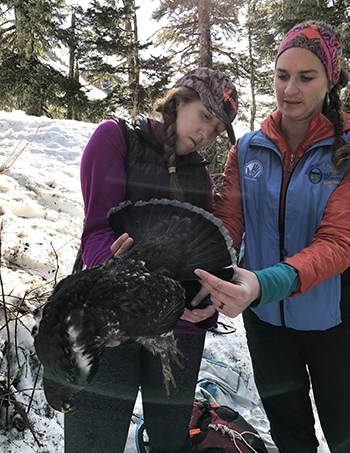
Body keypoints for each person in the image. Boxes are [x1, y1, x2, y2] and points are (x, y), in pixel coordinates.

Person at [64, 67, 238, 453]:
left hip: (176, 325)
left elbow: (201, 258)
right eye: (205, 117)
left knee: (170, 439)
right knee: (95, 436)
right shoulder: (116, 138)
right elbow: (96, 232)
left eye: (217, 128)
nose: (207, 133)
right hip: (110, 314)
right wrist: (113, 271)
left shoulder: (201, 176)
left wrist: (204, 305)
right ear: (179, 101)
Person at [195, 22, 350, 453]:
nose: (290, 89)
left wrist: (264, 283)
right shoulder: (246, 149)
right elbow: (224, 225)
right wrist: (198, 277)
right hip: (265, 323)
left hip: (334, 322)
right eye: (282, 76)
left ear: (330, 80)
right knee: (290, 434)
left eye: (306, 77)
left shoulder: (347, 149)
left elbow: (339, 242)